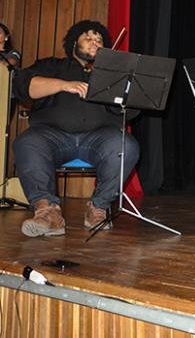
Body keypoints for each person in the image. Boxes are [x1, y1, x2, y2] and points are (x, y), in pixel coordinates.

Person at [13, 20, 140, 237]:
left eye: (99, 40)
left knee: (125, 144)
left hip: (98, 140)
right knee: (27, 142)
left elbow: (133, 112)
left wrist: (122, 92)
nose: (94, 42)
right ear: (74, 44)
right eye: (88, 38)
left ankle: (98, 208)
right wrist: (64, 84)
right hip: (52, 137)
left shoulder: (110, 76)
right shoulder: (52, 66)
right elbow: (22, 86)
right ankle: (47, 212)